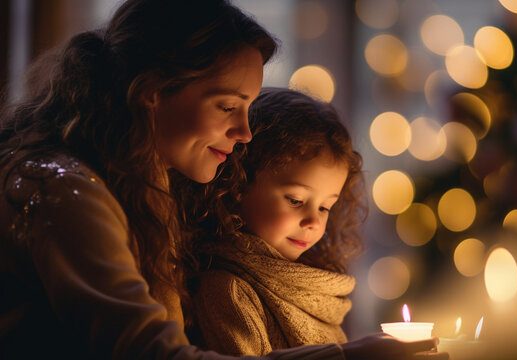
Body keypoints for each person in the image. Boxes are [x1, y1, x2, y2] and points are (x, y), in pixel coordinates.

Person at [0, 0, 440, 359]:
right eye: (228, 107)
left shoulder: (145, 186)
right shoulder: (63, 190)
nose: (245, 133)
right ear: (152, 91)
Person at [191, 88, 366, 356]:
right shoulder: (228, 290)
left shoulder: (316, 289)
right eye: (295, 200)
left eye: (324, 207)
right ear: (238, 183)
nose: (313, 221)